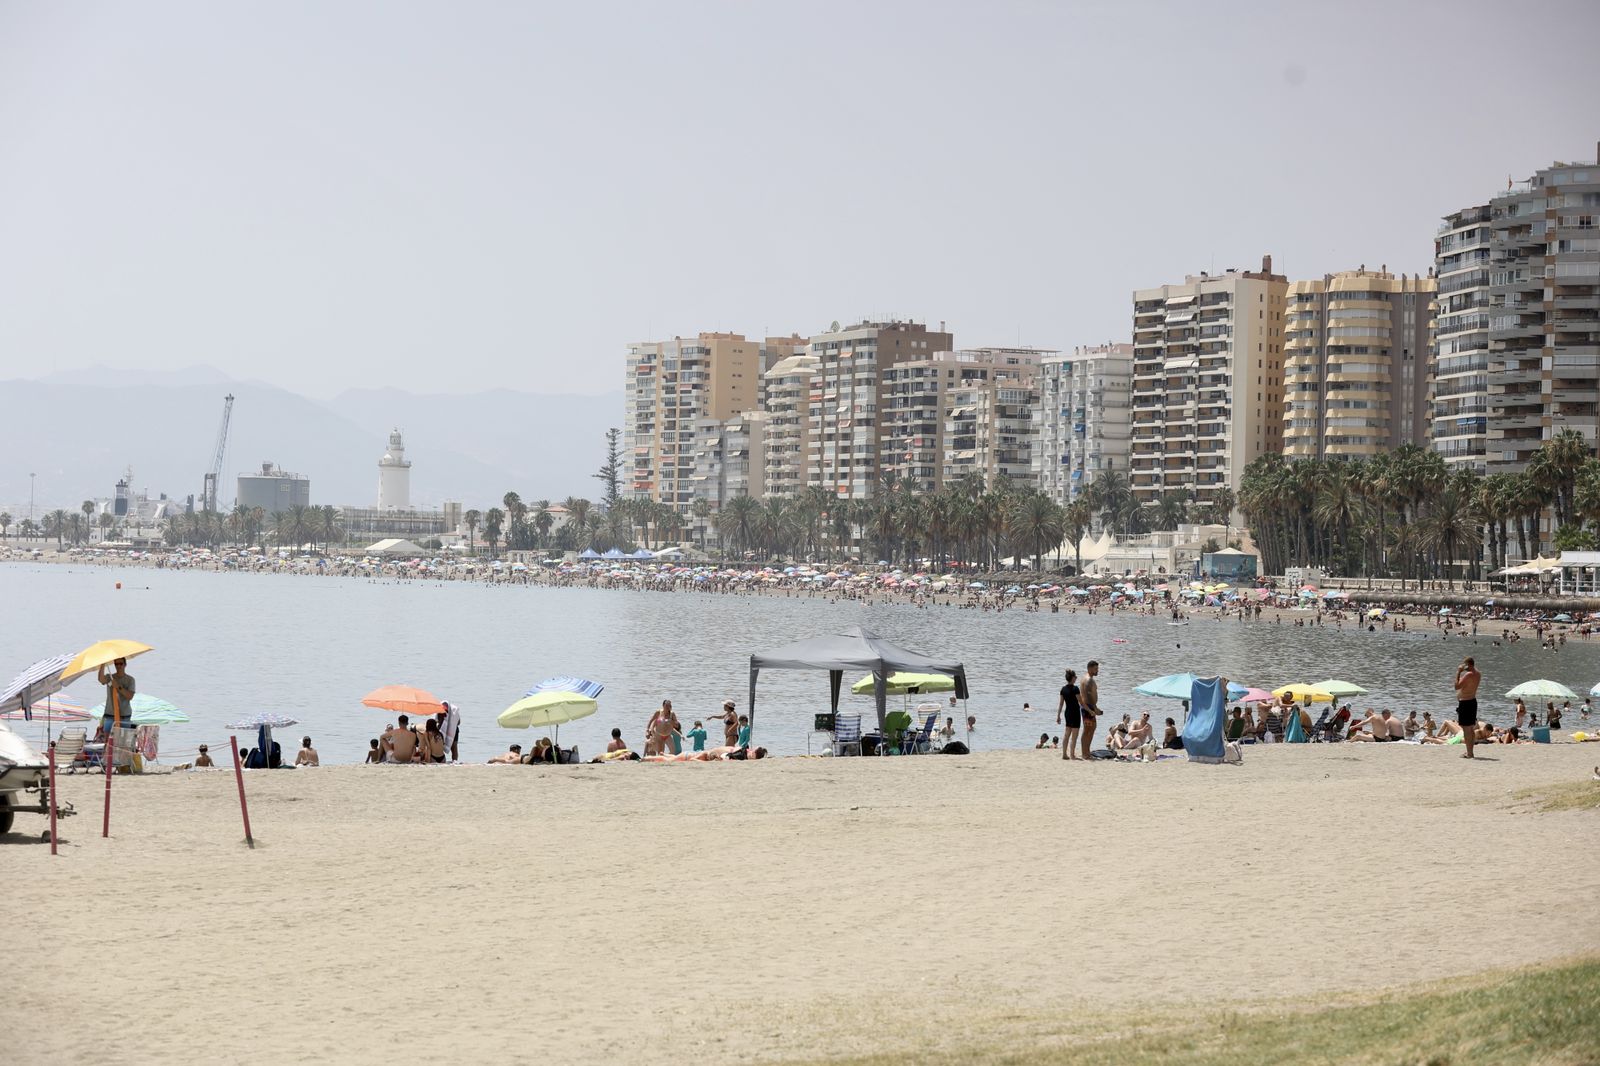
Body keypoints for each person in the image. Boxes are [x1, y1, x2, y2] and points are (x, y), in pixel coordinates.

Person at [96, 656, 136, 734]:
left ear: (125, 664)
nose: (118, 666)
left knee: (124, 742)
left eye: (121, 664)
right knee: (107, 740)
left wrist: (118, 687)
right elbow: (101, 679)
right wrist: (103, 663)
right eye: (116, 664)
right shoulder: (110, 677)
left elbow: (130, 696)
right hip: (110, 715)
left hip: (125, 716)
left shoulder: (130, 680)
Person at [1455, 657, 1481, 759]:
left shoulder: (1468, 675)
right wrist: (1466, 669)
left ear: (1468, 665)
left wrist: (1458, 672)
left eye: (1465, 665)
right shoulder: (1478, 674)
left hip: (1465, 703)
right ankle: (1470, 752)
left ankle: (1469, 753)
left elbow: (1456, 686)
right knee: (1470, 728)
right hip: (1473, 701)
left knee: (1466, 728)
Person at [1057, 668, 1082, 761]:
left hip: (1067, 713)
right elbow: (1081, 702)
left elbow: (1061, 704)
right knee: (1074, 735)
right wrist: (1089, 710)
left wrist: (1058, 715)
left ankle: (1064, 754)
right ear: (1072, 678)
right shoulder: (1075, 689)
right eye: (1075, 677)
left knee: (1067, 734)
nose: (1076, 678)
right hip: (1075, 713)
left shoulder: (1063, 689)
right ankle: (1072, 755)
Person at [1079, 660, 1102, 760]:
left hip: (1087, 707)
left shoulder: (1085, 678)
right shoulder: (1089, 680)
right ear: (1089, 668)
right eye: (1095, 669)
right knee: (1088, 730)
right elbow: (1088, 696)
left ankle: (1086, 752)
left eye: (1097, 669)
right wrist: (1094, 709)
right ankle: (1085, 753)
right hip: (1088, 707)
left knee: (1089, 729)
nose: (1097, 671)